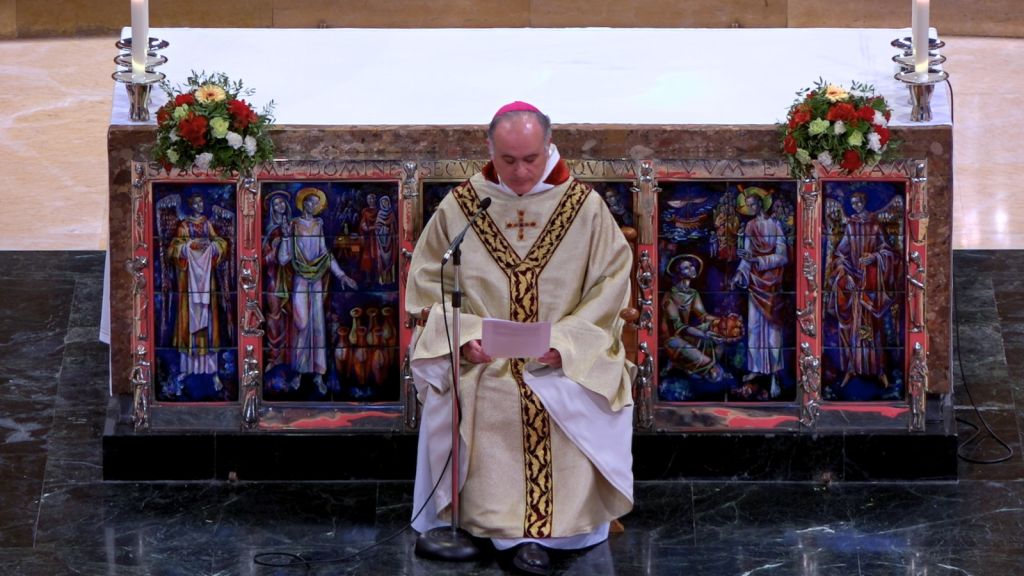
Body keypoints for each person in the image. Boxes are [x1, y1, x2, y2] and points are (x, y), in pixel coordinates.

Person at [405, 101, 634, 575]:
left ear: (549, 147)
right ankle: (496, 530)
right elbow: (429, 283)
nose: (521, 171)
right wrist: (464, 338)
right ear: (489, 150)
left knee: (562, 389)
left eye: (530, 158)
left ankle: (557, 533)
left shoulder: (584, 208)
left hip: (564, 356)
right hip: (485, 357)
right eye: (508, 160)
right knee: (491, 390)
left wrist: (566, 345)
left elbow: (612, 286)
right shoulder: (463, 207)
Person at [278, 187, 358, 395]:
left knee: (318, 327)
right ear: (302, 203)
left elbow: (324, 253)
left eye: (316, 203)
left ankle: (318, 375)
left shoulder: (318, 225)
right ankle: (298, 372)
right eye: (309, 202)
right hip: (300, 280)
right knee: (302, 324)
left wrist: (342, 275)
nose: (312, 206)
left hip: (316, 281)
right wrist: (286, 237)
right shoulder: (293, 225)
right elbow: (283, 259)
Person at [826, 191, 897, 388]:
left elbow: (888, 250)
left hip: (872, 282)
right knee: (856, 330)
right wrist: (847, 276)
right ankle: (853, 368)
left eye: (859, 201)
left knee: (874, 330)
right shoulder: (851, 225)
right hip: (856, 284)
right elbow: (840, 254)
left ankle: (879, 369)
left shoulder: (875, 224)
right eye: (853, 202)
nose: (856, 204)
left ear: (865, 201)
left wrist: (875, 258)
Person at [167, 193, 229, 395]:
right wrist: (188, 246)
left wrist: (211, 246)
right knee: (189, 322)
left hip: (206, 282)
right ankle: (187, 369)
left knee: (209, 322)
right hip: (189, 283)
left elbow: (221, 244)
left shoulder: (208, 223)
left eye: (201, 201)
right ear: (190, 205)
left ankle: (213, 372)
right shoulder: (184, 225)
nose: (199, 205)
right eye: (195, 202)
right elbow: (174, 249)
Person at [729, 186, 788, 399]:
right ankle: (756, 368)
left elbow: (782, 256)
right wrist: (739, 273)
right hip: (754, 283)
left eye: (754, 204)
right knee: (754, 328)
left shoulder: (775, 225)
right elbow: (746, 257)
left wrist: (758, 260)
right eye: (749, 205)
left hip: (772, 285)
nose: (752, 208)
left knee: (773, 332)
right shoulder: (749, 226)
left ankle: (774, 375)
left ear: (762, 204)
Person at [261, 190, 292, 373]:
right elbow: (263, 260)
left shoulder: (294, 225)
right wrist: (274, 250)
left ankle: (289, 357)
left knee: (293, 317)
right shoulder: (270, 231)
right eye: (276, 204)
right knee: (274, 317)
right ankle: (274, 356)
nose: (280, 206)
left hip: (293, 276)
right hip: (274, 278)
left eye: (282, 203)